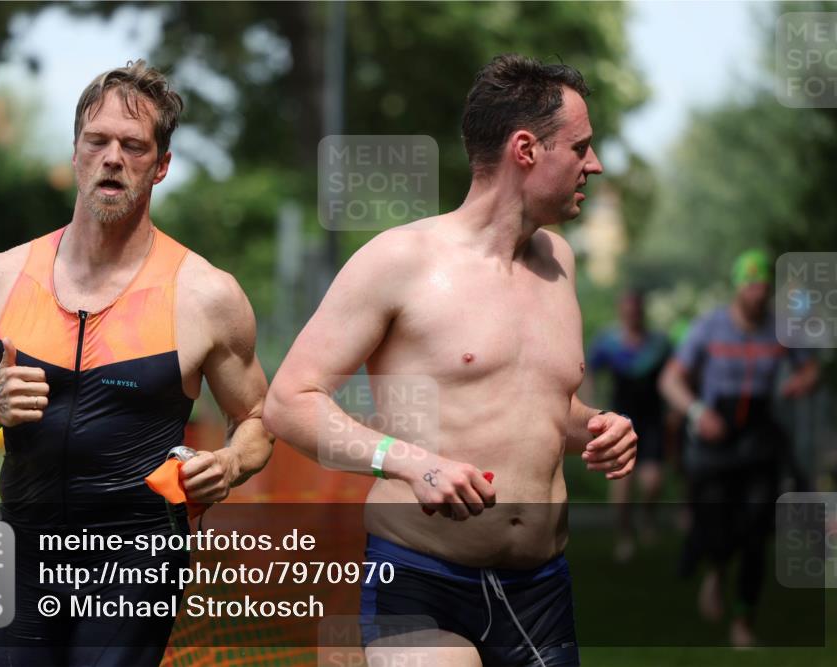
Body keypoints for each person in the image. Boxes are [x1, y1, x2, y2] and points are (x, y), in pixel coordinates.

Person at [264, 54, 637, 667]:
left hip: (540, 590)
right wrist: (409, 464)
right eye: (580, 147)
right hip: (420, 579)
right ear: (526, 150)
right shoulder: (400, 261)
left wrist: (598, 426)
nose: (593, 164)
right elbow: (289, 402)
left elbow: (540, 404)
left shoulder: (560, 263)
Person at [0, 60, 272, 666]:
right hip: (26, 555)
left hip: (138, 560)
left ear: (160, 166)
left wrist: (230, 462)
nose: (112, 158)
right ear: (76, 153)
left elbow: (260, 417)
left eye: (133, 146)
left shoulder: (206, 294)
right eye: (96, 141)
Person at [658, 249, 819, 648]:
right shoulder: (710, 326)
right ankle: (714, 571)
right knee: (718, 524)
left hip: (759, 436)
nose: (759, 293)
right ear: (738, 287)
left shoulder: (780, 328)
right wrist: (696, 412)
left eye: (765, 285)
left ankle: (743, 621)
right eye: (752, 284)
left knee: (756, 528)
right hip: (716, 434)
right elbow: (670, 380)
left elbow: (811, 366)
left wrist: (803, 382)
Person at [586, 289, 671, 562]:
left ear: (642, 311)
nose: (632, 314)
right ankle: (624, 536)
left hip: (654, 420)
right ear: (621, 311)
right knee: (622, 483)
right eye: (628, 309)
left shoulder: (659, 344)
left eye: (637, 309)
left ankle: (646, 515)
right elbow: (589, 372)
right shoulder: (608, 343)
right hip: (620, 420)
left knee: (652, 482)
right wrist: (590, 409)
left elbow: (676, 374)